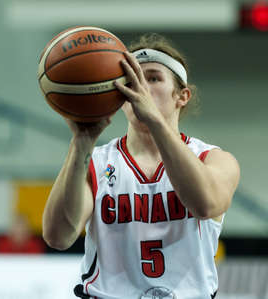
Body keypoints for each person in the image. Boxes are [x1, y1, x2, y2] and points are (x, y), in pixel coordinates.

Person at [42, 34, 240, 299]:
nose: (139, 88)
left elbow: (204, 203)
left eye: (153, 78)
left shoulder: (213, 159)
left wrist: (155, 121)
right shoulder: (97, 161)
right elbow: (58, 237)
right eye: (131, 79)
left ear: (182, 95)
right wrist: (81, 142)